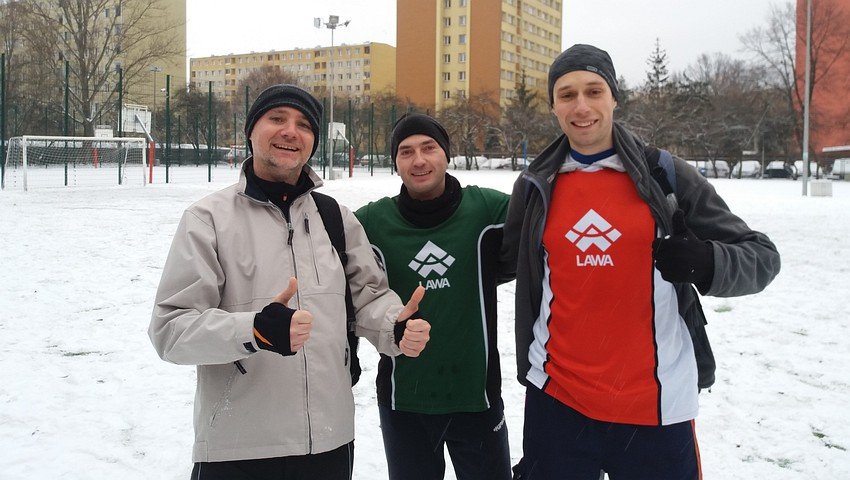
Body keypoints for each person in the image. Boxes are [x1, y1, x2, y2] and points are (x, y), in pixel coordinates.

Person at [503, 44, 781, 479]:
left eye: (594, 91)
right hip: (557, 401)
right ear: (553, 106)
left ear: (614, 98)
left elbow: (762, 256)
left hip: (654, 405)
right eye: (567, 94)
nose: (581, 106)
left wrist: (707, 263)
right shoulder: (537, 184)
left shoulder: (665, 174)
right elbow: (503, 258)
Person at [149, 84, 431, 480]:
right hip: (238, 448)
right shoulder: (207, 220)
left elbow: (370, 299)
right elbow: (171, 330)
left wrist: (394, 326)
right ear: (251, 130)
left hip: (329, 442)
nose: (290, 131)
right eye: (277, 119)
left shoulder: (337, 219)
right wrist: (254, 330)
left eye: (304, 125)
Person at [355, 113, 513, 480]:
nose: (419, 160)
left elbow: (550, 217)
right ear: (395, 163)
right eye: (406, 151)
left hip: (477, 397)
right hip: (404, 400)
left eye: (429, 148)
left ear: (447, 154)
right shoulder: (371, 222)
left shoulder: (486, 209)